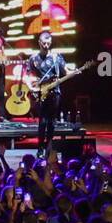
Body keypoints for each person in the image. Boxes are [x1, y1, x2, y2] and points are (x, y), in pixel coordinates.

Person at [25, 29, 68, 158]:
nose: (46, 45)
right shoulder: (33, 58)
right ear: (39, 42)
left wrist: (74, 71)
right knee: (42, 121)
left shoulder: (56, 57)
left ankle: (49, 146)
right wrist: (32, 87)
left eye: (48, 43)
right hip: (40, 93)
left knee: (51, 121)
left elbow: (65, 71)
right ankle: (40, 148)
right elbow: (28, 75)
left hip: (55, 92)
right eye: (44, 43)